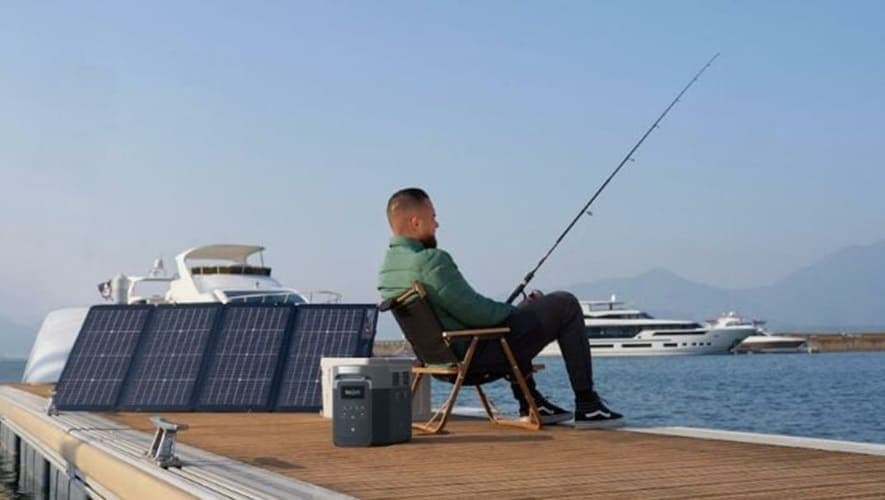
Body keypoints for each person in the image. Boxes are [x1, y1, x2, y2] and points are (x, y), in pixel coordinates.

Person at [378, 187, 623, 428]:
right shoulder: (429, 260)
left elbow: (463, 311)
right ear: (416, 222)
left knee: (527, 309)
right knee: (565, 304)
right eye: (433, 217)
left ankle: (532, 403)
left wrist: (522, 309)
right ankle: (588, 404)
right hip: (472, 357)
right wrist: (517, 312)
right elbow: (476, 312)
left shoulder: (388, 272)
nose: (437, 224)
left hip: (437, 360)